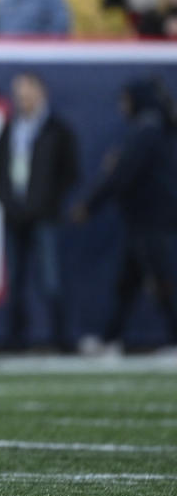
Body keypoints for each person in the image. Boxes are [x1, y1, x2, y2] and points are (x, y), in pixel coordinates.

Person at [72, 79, 177, 354]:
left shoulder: (147, 130)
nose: (122, 108)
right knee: (128, 282)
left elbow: (121, 173)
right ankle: (110, 338)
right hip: (146, 219)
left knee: (163, 281)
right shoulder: (157, 128)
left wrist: (90, 205)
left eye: (126, 101)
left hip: (152, 218)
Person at [0, 72, 78, 351]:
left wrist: (45, 203)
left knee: (51, 280)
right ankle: (15, 338)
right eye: (19, 94)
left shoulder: (57, 130)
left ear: (41, 93)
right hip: (14, 216)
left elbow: (69, 173)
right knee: (15, 282)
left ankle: (60, 338)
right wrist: (8, 201)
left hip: (44, 216)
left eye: (27, 93)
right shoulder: (10, 127)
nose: (22, 100)